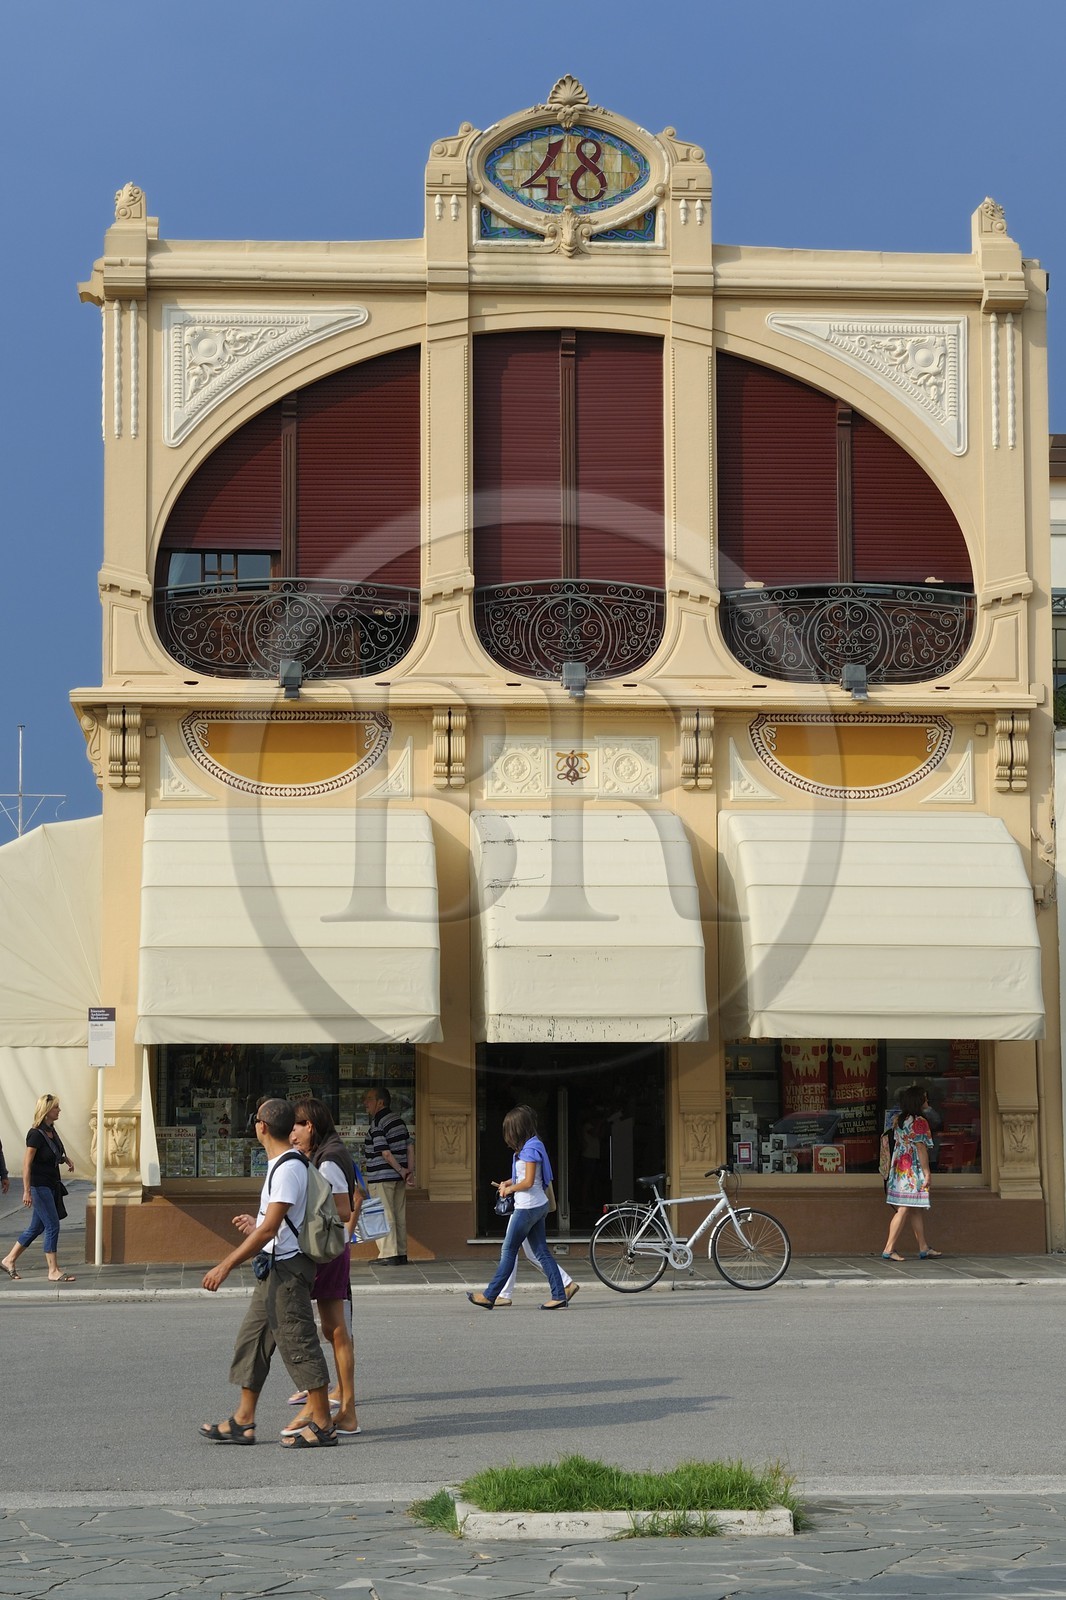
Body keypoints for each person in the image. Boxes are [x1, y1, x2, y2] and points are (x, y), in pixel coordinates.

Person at [199, 1097, 336, 1448]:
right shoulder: (280, 1163)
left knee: (298, 1341)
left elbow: (271, 1228)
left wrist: (225, 1264)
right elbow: (271, 1223)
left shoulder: (288, 1167)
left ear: (261, 1127)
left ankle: (323, 1422)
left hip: (289, 1270)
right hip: (275, 1266)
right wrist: (256, 1223)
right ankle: (243, 1420)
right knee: (252, 1340)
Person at [282, 1097, 363, 1439]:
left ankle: (341, 1409)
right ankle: (343, 1407)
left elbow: (343, 1208)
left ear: (309, 1125)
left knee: (334, 1331)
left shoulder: (328, 1159)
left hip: (328, 1251)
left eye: (296, 1128)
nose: (292, 1136)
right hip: (334, 1249)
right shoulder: (329, 1152)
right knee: (334, 1330)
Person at [468, 1105, 568, 1311]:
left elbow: (528, 1181)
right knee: (541, 1252)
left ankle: (490, 1295)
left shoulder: (529, 1150)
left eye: (509, 1129)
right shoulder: (533, 1145)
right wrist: (508, 1182)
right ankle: (559, 1295)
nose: (507, 1134)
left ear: (517, 1129)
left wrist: (509, 1189)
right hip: (537, 1205)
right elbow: (524, 1177)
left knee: (508, 1250)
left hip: (527, 1207)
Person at [1, 1094, 76, 1282]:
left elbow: (54, 1153)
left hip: (52, 1185)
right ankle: (53, 1270)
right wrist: (26, 1191)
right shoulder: (35, 1134)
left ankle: (9, 1260)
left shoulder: (52, 1131)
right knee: (52, 1225)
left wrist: (65, 1159)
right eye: (56, 1107)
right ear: (47, 1110)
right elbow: (26, 1165)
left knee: (36, 1227)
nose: (59, 1110)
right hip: (39, 1186)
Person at [881, 1084, 942, 1262]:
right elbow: (921, 1148)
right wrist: (927, 1172)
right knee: (904, 1209)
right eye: (925, 1098)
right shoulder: (920, 1122)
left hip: (900, 1169)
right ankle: (889, 1248)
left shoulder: (899, 1119)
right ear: (918, 1100)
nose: (927, 1101)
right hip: (912, 1170)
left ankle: (923, 1247)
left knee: (914, 1209)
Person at [362, 1085, 413, 1264]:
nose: (365, 1103)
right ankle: (401, 1253)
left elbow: (385, 1152)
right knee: (399, 1214)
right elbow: (409, 1146)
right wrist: (408, 1172)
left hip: (382, 1177)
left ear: (380, 1102)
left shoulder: (377, 1123)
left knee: (384, 1214)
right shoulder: (398, 1120)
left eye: (369, 1099)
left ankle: (388, 1254)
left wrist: (400, 1169)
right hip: (398, 1178)